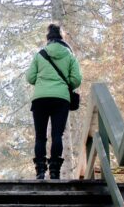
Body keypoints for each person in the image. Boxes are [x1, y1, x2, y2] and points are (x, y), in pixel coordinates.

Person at [26, 24, 82, 179]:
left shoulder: (40, 55)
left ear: (48, 38)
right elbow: (76, 80)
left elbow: (30, 77)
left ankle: (40, 171)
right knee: (57, 134)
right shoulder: (70, 56)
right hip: (60, 99)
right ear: (62, 37)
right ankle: (55, 171)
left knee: (40, 136)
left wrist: (43, 80)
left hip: (40, 99)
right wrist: (64, 84)